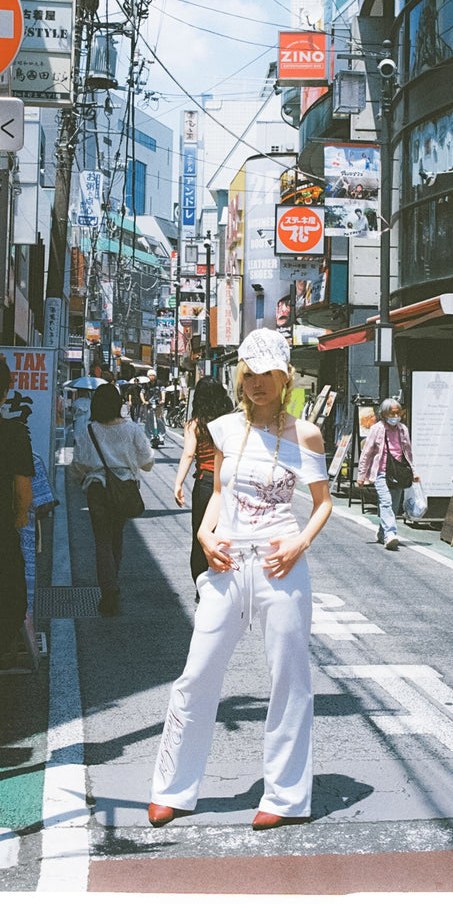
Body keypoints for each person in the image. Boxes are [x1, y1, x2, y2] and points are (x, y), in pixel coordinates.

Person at [148, 328, 332, 831]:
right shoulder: (226, 428)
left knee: (289, 679)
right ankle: (172, 789)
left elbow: (323, 504)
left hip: (281, 565)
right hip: (227, 565)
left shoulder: (306, 435)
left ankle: (286, 797)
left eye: (265, 375)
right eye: (248, 375)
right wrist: (206, 536)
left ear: (285, 376)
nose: (255, 384)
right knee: (195, 673)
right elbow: (218, 492)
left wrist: (298, 544)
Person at [71, 381, 154, 617]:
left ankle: (108, 589)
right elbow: (147, 461)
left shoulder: (88, 430)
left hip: (97, 489)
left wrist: (79, 477)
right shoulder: (133, 430)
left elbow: (79, 464)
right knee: (116, 536)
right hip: (124, 488)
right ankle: (112, 582)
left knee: (102, 541)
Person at [0, 356, 35, 670]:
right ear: (5, 393)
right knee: (12, 602)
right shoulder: (13, 433)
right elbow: (23, 489)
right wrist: (20, 517)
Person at [173, 377, 235, 591]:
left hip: (206, 484)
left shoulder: (195, 424)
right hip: (230, 484)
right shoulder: (231, 420)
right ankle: (225, 580)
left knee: (201, 535)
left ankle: (202, 585)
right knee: (227, 534)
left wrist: (178, 483)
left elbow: (188, 454)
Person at [356, 397, 419, 551]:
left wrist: (414, 472)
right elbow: (367, 453)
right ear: (384, 414)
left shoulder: (403, 429)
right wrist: (361, 475)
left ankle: (382, 532)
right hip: (381, 472)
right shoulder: (377, 429)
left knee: (395, 505)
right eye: (392, 414)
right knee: (386, 502)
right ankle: (390, 534)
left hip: (398, 473)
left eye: (397, 413)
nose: (395, 417)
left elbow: (408, 453)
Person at [141, 369, 166, 446]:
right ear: (148, 376)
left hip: (158, 404)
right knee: (149, 420)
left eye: (153, 375)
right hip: (149, 405)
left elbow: (163, 391)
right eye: (150, 375)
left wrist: (163, 399)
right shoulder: (146, 385)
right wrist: (144, 401)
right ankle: (151, 436)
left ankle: (161, 436)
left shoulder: (159, 383)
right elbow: (142, 393)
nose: (152, 377)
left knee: (160, 420)